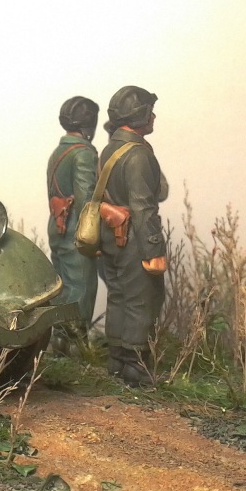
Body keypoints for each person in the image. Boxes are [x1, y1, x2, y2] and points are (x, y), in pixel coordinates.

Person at [99, 86, 166, 386]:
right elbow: (143, 207)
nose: (153, 116)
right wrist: (154, 249)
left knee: (118, 296)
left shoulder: (110, 149)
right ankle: (135, 367)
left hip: (111, 235)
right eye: (149, 111)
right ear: (139, 115)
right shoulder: (137, 154)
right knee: (142, 300)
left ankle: (116, 360)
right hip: (134, 239)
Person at [46, 96, 100, 348]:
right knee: (81, 289)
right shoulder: (83, 153)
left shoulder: (59, 151)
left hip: (58, 226)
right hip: (77, 231)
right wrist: (94, 237)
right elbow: (86, 200)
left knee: (62, 288)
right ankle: (75, 347)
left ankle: (60, 343)